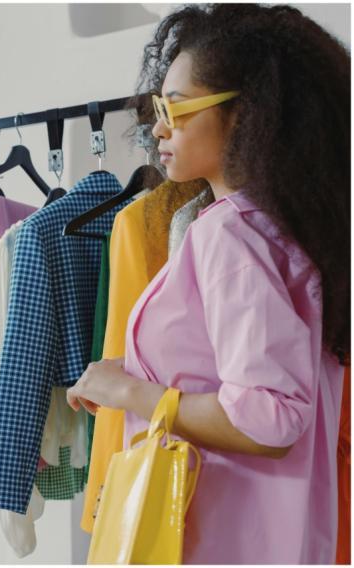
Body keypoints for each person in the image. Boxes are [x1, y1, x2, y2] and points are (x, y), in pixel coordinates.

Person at [65, 4, 349, 564]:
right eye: (158, 108)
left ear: (245, 115)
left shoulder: (228, 236)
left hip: (218, 538)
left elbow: (271, 418)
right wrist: (132, 371)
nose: (158, 127)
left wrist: (129, 394)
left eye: (175, 107)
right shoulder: (289, 231)